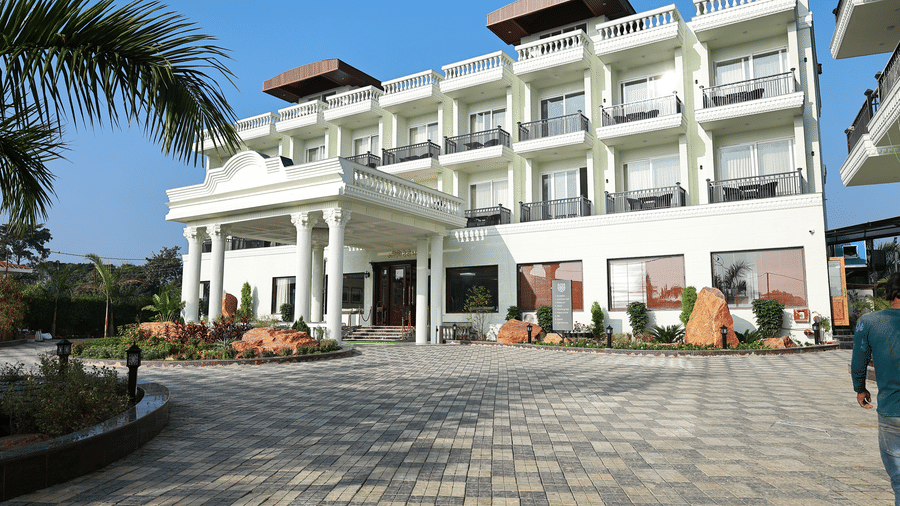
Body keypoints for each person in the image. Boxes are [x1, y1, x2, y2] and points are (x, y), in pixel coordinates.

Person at [852, 272, 900, 505]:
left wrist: (860, 389)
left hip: (891, 409)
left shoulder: (868, 322)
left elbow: (859, 361)